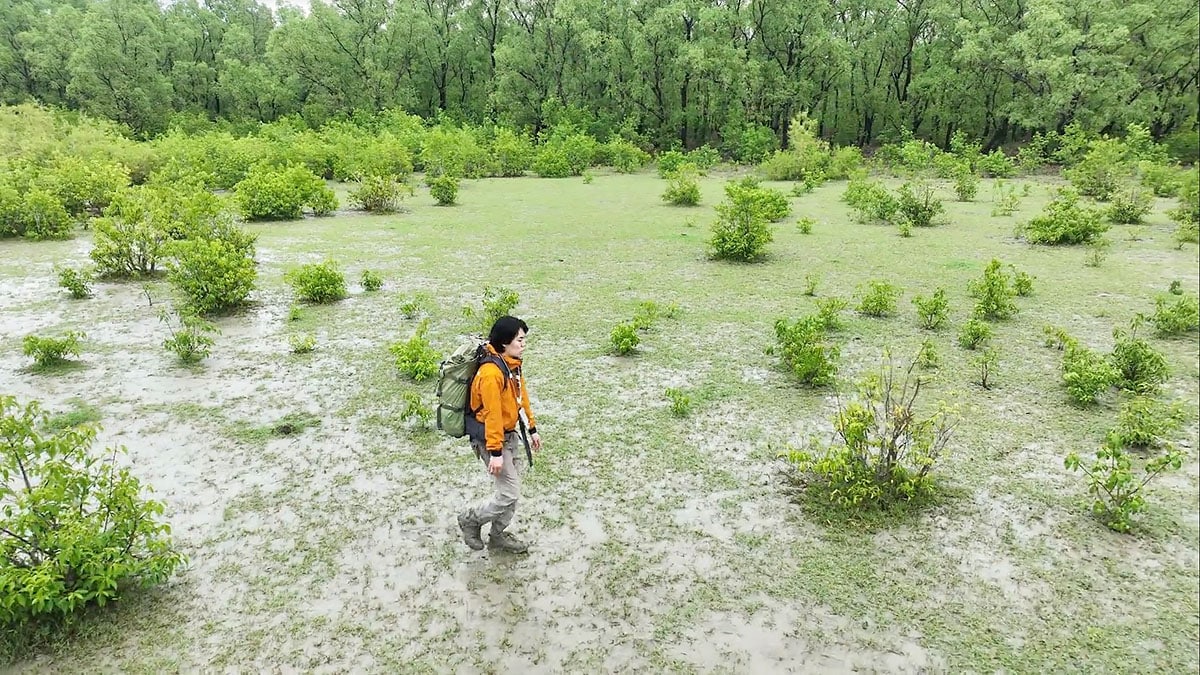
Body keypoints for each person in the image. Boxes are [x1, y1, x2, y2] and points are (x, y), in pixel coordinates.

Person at [457, 316, 542, 553]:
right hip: (492, 439)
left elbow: (520, 398)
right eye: (520, 340)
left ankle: (497, 535)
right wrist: (495, 453)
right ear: (505, 342)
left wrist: (532, 428)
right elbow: (493, 415)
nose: (524, 344)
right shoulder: (491, 374)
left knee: (511, 494)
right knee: (509, 492)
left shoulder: (511, 364)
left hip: (509, 435)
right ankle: (470, 519)